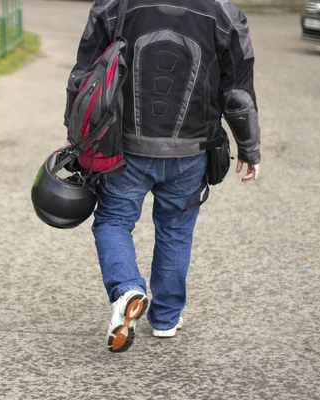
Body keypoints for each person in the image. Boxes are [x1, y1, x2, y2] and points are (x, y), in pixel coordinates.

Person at [64, 0, 262, 353]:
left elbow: (83, 75)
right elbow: (237, 92)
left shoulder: (114, 5)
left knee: (113, 221)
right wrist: (249, 147)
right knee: (176, 230)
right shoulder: (225, 13)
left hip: (124, 148)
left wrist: (75, 131)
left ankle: (127, 290)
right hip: (191, 151)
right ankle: (167, 319)